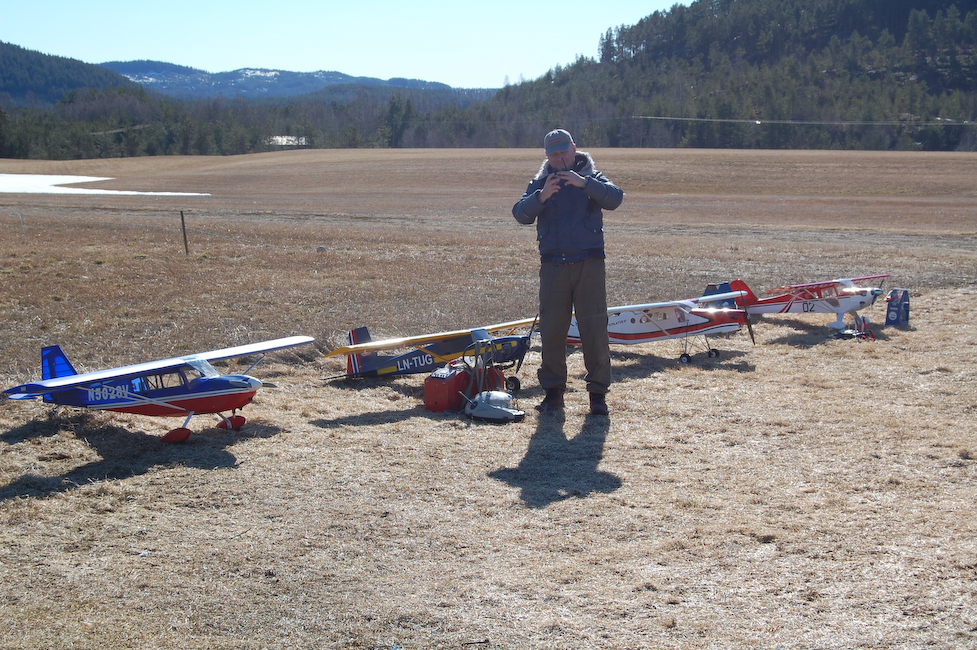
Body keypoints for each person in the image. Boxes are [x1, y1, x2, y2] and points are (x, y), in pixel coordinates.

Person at [512, 129, 624, 415]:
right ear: (547, 156)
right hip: (553, 267)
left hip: (589, 264)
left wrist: (583, 183)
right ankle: (553, 393)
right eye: (553, 154)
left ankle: (598, 395)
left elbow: (614, 198)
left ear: (574, 149)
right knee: (551, 331)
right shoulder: (540, 183)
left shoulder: (592, 177)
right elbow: (520, 214)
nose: (559, 159)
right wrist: (542, 196)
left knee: (594, 330)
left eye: (564, 152)